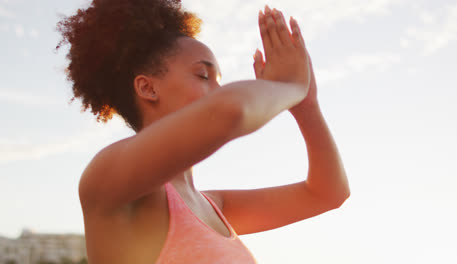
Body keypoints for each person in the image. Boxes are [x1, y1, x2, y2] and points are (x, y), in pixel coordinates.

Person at [56, 0, 350, 263]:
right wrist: (289, 87)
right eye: (203, 75)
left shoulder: (213, 205)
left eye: (219, 80)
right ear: (148, 87)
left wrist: (306, 106)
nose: (217, 90)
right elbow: (232, 110)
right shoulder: (110, 178)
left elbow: (328, 193)